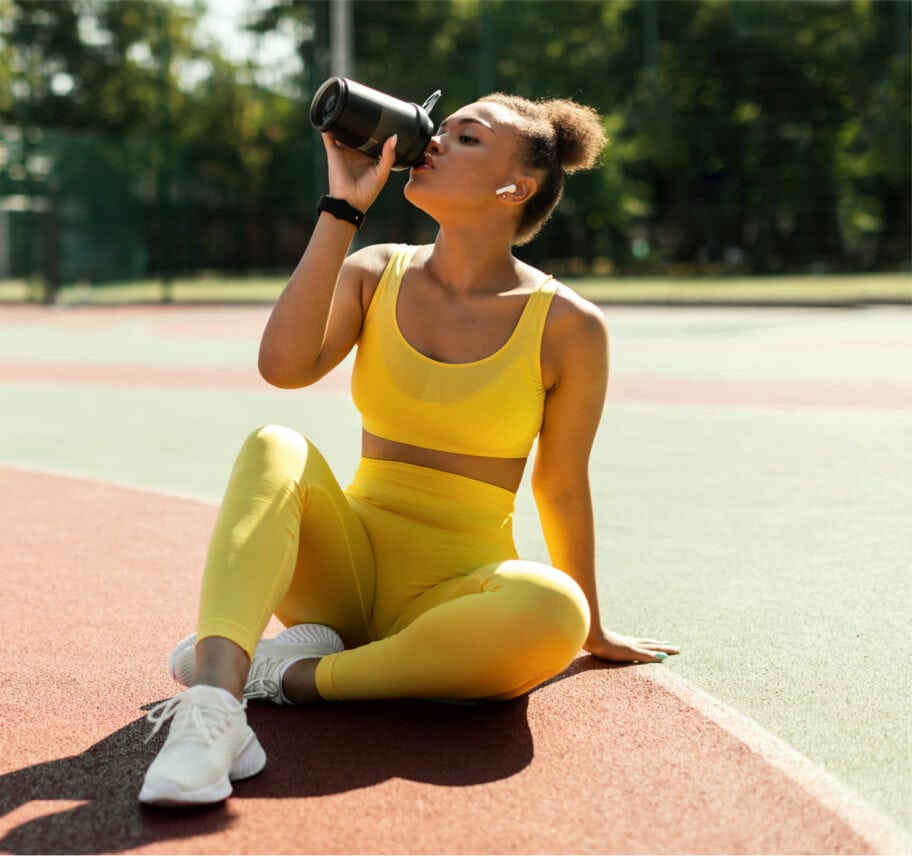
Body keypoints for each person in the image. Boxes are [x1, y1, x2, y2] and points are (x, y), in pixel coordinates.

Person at [138, 90, 679, 806]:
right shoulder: (376, 269)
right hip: (341, 575)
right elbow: (284, 368)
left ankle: (286, 678)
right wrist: (342, 207)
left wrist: (595, 627)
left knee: (555, 606)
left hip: (452, 596)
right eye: (442, 127)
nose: (434, 140)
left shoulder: (569, 325)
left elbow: (561, 484)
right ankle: (213, 710)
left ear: (514, 187)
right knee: (275, 443)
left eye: (466, 138)